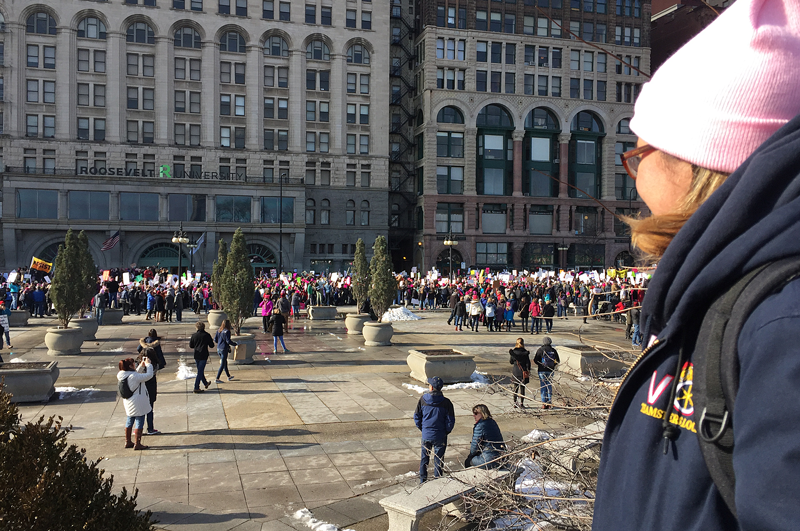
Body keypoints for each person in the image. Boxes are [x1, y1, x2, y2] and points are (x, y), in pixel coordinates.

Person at [594, 1, 800, 528]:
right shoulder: (713, 297)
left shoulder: (782, 328)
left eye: (639, 155)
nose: (633, 179)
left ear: (695, 164)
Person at [413, 376, 455, 483]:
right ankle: (437, 481)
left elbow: (417, 416)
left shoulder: (423, 400)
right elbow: (450, 421)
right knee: (439, 460)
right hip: (440, 435)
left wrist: (423, 429)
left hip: (426, 434)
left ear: (431, 387)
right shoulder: (447, 403)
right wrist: (446, 431)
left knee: (424, 459)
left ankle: (422, 480)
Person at [117, 356, 154, 450]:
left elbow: (134, 375)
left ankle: (128, 442)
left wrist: (141, 367)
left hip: (128, 401)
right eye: (134, 364)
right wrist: (148, 364)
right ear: (130, 366)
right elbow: (148, 375)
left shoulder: (122, 374)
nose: (135, 364)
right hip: (138, 402)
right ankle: (137, 443)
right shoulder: (134, 376)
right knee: (140, 420)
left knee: (129, 420)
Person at [138, 330, 166, 435]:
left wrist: (142, 363)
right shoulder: (154, 365)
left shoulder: (139, 364)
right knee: (149, 408)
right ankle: (150, 428)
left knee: (139, 412)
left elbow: (137, 373)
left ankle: (138, 430)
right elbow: (150, 375)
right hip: (150, 387)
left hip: (140, 389)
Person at [466, 404, 505, 469]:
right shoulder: (492, 422)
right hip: (502, 458)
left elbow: (475, 446)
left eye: (476, 413)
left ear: (482, 413)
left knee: (468, 462)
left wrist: (470, 456)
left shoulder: (480, 425)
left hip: (490, 460)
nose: (474, 415)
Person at [533, 337, 559, 409]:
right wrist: (552, 365)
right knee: (549, 385)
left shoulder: (540, 350)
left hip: (542, 370)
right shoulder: (553, 350)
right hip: (550, 370)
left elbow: (535, 360)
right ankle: (549, 402)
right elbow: (557, 360)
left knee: (543, 386)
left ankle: (544, 403)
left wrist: (541, 364)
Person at [189, 321, 214, 393]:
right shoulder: (207, 335)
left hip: (197, 354)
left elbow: (191, 346)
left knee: (200, 370)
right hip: (204, 354)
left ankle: (205, 383)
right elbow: (211, 345)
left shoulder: (194, 335)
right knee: (200, 371)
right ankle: (196, 387)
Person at [509, 338, 531, 409]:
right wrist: (528, 370)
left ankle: (515, 403)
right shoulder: (525, 352)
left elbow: (511, 362)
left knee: (515, 388)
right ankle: (522, 403)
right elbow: (528, 363)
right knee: (522, 388)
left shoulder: (513, 352)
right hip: (523, 371)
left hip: (516, 370)